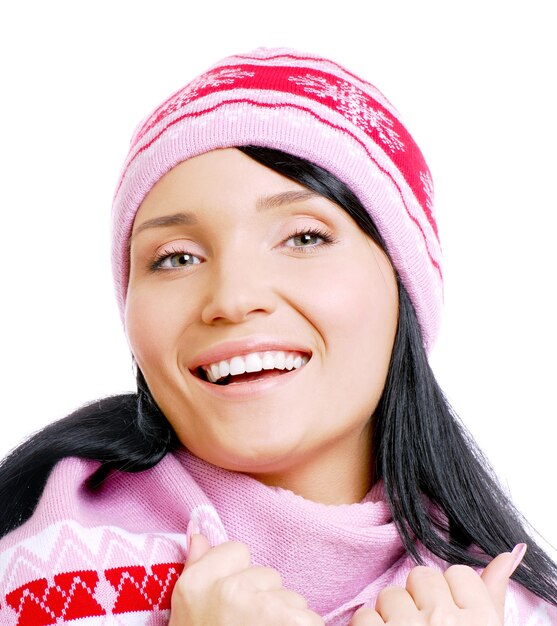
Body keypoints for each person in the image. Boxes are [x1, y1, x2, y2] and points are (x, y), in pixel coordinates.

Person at [0, 47, 555, 626]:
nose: (233, 298)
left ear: (404, 285)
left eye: (305, 238)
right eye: (176, 257)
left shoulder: (507, 608)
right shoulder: (40, 577)